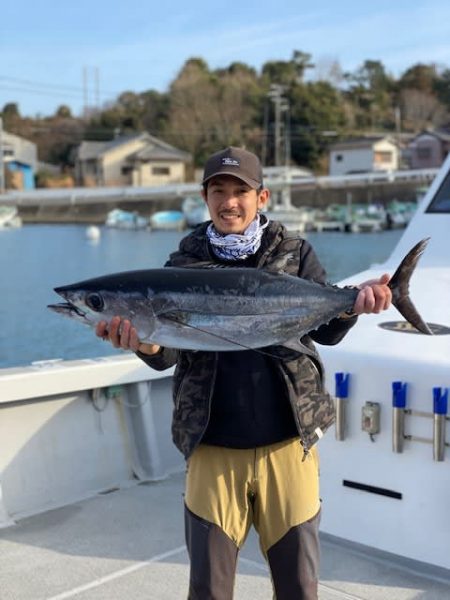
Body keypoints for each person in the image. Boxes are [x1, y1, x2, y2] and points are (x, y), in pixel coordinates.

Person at [96, 146, 392, 600]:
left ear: (262, 197)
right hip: (212, 445)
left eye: (241, 191)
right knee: (210, 591)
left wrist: (355, 305)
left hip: (289, 442)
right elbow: (168, 355)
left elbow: (328, 332)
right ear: (205, 197)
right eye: (219, 190)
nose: (229, 201)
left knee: (298, 588)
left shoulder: (295, 253)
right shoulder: (181, 266)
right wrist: (146, 342)